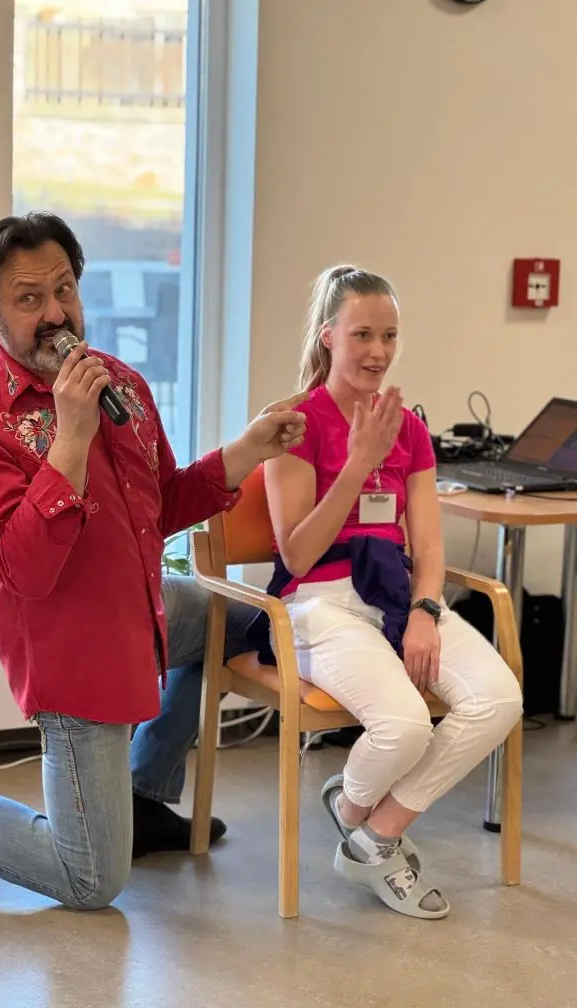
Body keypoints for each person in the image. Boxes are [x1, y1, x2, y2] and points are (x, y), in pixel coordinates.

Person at [0, 212, 305, 909]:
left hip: (139, 607)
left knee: (235, 621)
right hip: (73, 655)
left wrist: (247, 451)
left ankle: (141, 794)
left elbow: (161, 505)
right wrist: (71, 438)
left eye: (64, 290)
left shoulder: (122, 384)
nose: (55, 314)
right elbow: (24, 571)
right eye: (29, 299)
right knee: (91, 879)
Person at [263, 265, 523, 920]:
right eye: (363, 335)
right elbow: (296, 554)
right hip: (319, 598)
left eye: (389, 336)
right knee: (405, 725)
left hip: (396, 593)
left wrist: (427, 611)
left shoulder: (408, 428)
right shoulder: (292, 425)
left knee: (498, 699)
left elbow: (428, 546)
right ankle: (360, 816)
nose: (378, 351)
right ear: (328, 335)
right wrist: (357, 462)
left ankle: (370, 830)